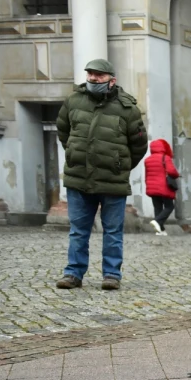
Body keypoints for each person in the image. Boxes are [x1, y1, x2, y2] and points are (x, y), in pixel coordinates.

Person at [54, 59, 148, 291]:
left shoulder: (128, 108)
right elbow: (63, 131)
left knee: (113, 231)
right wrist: (77, 155)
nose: (93, 79)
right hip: (79, 178)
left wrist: (119, 165)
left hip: (112, 180)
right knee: (78, 230)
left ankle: (111, 275)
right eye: (90, 74)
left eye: (99, 75)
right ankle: (73, 273)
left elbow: (139, 145)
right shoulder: (73, 101)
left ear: (112, 80)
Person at [144, 138, 181, 236]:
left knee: (158, 207)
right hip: (164, 187)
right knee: (169, 206)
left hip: (152, 187)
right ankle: (157, 221)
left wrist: (148, 186)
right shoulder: (165, 158)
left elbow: (146, 175)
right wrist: (177, 174)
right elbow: (171, 171)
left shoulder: (147, 160)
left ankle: (160, 230)